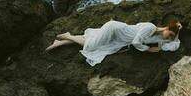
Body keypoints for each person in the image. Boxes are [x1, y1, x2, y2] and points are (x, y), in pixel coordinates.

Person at [45, 19, 183, 66]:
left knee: (92, 40)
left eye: (171, 36)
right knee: (91, 46)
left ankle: (60, 43)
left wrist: (178, 32)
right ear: (166, 27)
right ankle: (68, 36)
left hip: (118, 37)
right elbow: (136, 42)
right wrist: (148, 49)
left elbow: (174, 45)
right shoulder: (150, 27)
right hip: (114, 29)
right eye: (169, 34)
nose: (168, 38)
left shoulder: (157, 36)